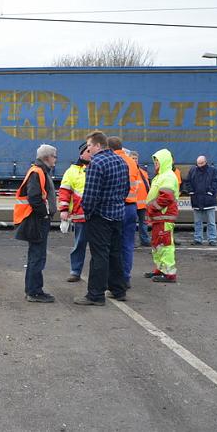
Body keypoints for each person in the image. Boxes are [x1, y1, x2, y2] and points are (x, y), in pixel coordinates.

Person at [73, 131, 130, 306]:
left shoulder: (96, 163)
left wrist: (88, 213)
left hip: (100, 216)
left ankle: (95, 295)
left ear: (98, 145)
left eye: (89, 146)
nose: (88, 150)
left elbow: (90, 195)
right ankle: (118, 290)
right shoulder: (121, 161)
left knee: (99, 255)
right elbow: (126, 189)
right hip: (118, 214)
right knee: (115, 253)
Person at [14, 144, 58, 303]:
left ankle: (33, 290)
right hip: (36, 220)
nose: (55, 159)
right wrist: (45, 215)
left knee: (37, 256)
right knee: (37, 256)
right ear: (47, 157)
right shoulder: (37, 172)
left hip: (36, 219)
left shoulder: (39, 171)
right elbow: (34, 198)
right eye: (54, 156)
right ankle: (34, 291)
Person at [108, 136, 140, 288]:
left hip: (117, 207)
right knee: (127, 245)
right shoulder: (132, 162)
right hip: (132, 208)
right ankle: (126, 277)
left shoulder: (113, 161)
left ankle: (115, 279)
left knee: (113, 245)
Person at [145, 149, 180, 282]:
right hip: (160, 217)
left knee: (165, 245)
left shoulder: (167, 176)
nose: (155, 164)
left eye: (157, 162)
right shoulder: (162, 176)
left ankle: (169, 274)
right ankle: (160, 269)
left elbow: (166, 197)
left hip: (163, 216)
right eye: (155, 162)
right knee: (158, 244)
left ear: (164, 162)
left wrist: (153, 209)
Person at [58, 142, 91, 282]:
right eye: (88, 151)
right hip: (80, 215)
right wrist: (64, 210)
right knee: (79, 245)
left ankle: (97, 274)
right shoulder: (71, 171)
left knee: (98, 248)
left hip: (96, 216)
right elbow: (64, 192)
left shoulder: (98, 167)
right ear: (81, 153)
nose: (91, 153)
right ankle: (75, 271)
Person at [185, 155, 217, 246]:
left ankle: (212, 239)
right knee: (198, 222)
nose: (200, 165)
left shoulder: (213, 171)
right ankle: (198, 239)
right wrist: (191, 191)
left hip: (208, 200)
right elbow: (188, 182)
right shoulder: (193, 170)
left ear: (205, 162)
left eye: (201, 163)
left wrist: (210, 192)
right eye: (198, 163)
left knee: (211, 222)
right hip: (197, 200)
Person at [130, 150, 151, 248]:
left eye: (136, 158)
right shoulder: (127, 171)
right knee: (131, 224)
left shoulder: (143, 172)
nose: (134, 160)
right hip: (132, 203)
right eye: (133, 158)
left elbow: (148, 186)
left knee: (144, 224)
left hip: (142, 203)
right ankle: (131, 242)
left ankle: (145, 240)